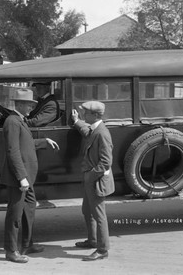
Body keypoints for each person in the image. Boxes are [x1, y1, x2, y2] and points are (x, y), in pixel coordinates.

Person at [1, 88, 60, 264]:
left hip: (27, 176)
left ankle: (27, 244)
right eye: (29, 104)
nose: (31, 108)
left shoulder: (20, 120)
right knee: (15, 215)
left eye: (32, 104)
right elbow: (13, 151)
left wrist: (44, 141)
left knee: (29, 210)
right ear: (19, 104)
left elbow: (25, 143)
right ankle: (11, 251)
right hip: (19, 178)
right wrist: (21, 177)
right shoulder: (12, 121)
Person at [71, 101, 115, 261]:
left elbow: (105, 162)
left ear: (95, 115)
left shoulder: (102, 134)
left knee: (99, 215)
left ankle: (102, 250)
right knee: (87, 211)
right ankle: (93, 240)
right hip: (92, 179)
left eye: (86, 113)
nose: (84, 115)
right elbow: (86, 131)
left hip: (96, 180)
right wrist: (76, 121)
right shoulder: (95, 129)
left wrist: (90, 176)